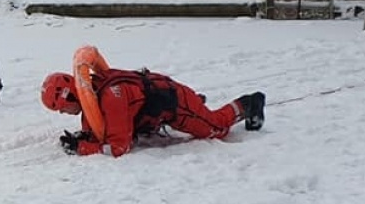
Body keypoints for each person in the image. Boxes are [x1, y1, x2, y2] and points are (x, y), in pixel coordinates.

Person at [40, 47, 265, 159]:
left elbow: (119, 147)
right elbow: (101, 129)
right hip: (156, 97)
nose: (63, 113)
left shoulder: (110, 98)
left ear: (71, 96)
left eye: (61, 109)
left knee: (216, 128)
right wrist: (83, 137)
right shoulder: (95, 92)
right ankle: (197, 103)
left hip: (174, 103)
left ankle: (249, 104)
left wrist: (82, 148)